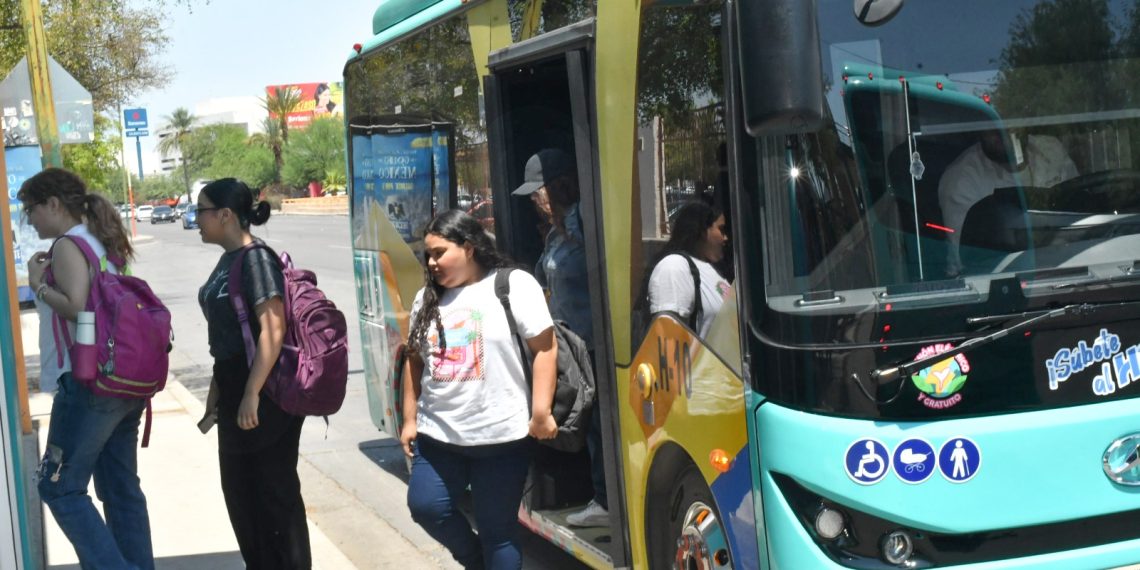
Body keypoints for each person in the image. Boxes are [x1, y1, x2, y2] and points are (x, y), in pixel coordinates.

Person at [401, 209, 558, 569]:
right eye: (428, 254)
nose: (431, 262)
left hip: (502, 438)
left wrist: (540, 411)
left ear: (469, 248)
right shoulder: (426, 299)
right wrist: (410, 418)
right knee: (426, 506)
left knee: (498, 530)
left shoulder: (513, 285)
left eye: (439, 252)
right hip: (438, 436)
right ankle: (474, 561)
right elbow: (414, 360)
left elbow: (546, 349)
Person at [21, 167, 154, 569]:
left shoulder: (67, 245)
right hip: (123, 383)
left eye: (31, 210)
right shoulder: (102, 241)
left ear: (54, 204)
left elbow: (81, 310)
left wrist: (37, 285)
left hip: (89, 383)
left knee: (59, 489)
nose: (29, 219)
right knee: (119, 489)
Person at [196, 178, 311, 569]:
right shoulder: (229, 258)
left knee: (274, 501)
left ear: (225, 215)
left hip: (266, 401)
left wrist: (250, 394)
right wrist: (218, 390)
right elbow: (230, 336)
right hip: (236, 392)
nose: (195, 219)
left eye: (201, 211)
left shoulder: (256, 258)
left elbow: (273, 329)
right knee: (243, 500)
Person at [512, 149, 608, 528]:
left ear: (557, 187)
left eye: (539, 191)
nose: (535, 200)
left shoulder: (584, 217)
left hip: (594, 342)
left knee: (598, 423)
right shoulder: (556, 230)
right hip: (571, 344)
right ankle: (599, 496)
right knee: (586, 422)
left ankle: (605, 500)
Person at [938, 130, 1078, 275]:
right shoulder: (962, 180)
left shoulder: (1050, 149)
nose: (1002, 131)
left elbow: (1079, 217)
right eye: (992, 127)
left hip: (1068, 270)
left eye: (1007, 122)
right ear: (980, 129)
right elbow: (976, 260)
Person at [648, 200, 732, 339]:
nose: (726, 238)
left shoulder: (711, 269)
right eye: (721, 229)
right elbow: (669, 339)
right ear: (704, 231)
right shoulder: (674, 267)